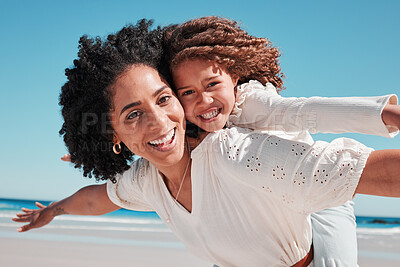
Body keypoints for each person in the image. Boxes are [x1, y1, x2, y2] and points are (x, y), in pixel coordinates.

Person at [13, 20, 400, 267]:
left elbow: (375, 170)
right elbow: (99, 197)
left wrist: (383, 113)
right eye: (133, 115)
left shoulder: (233, 152)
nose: (160, 122)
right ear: (112, 135)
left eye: (164, 99)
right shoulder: (148, 179)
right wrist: (55, 211)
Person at [163, 16, 400, 266]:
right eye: (188, 92)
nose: (204, 100)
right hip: (271, 207)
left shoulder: (253, 102)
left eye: (212, 84)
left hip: (319, 200)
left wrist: (386, 114)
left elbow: (306, 112)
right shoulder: (191, 131)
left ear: (234, 77)